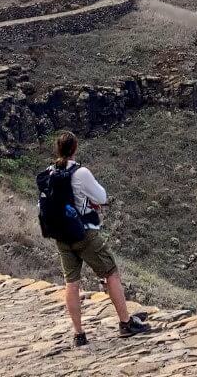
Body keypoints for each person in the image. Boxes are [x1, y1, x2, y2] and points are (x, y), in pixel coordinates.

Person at [45, 131, 150, 346]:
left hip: (62, 236)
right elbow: (101, 197)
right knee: (111, 273)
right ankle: (125, 323)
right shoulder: (80, 172)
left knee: (71, 283)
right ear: (75, 148)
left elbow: (43, 203)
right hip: (84, 233)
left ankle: (79, 334)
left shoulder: (50, 172)